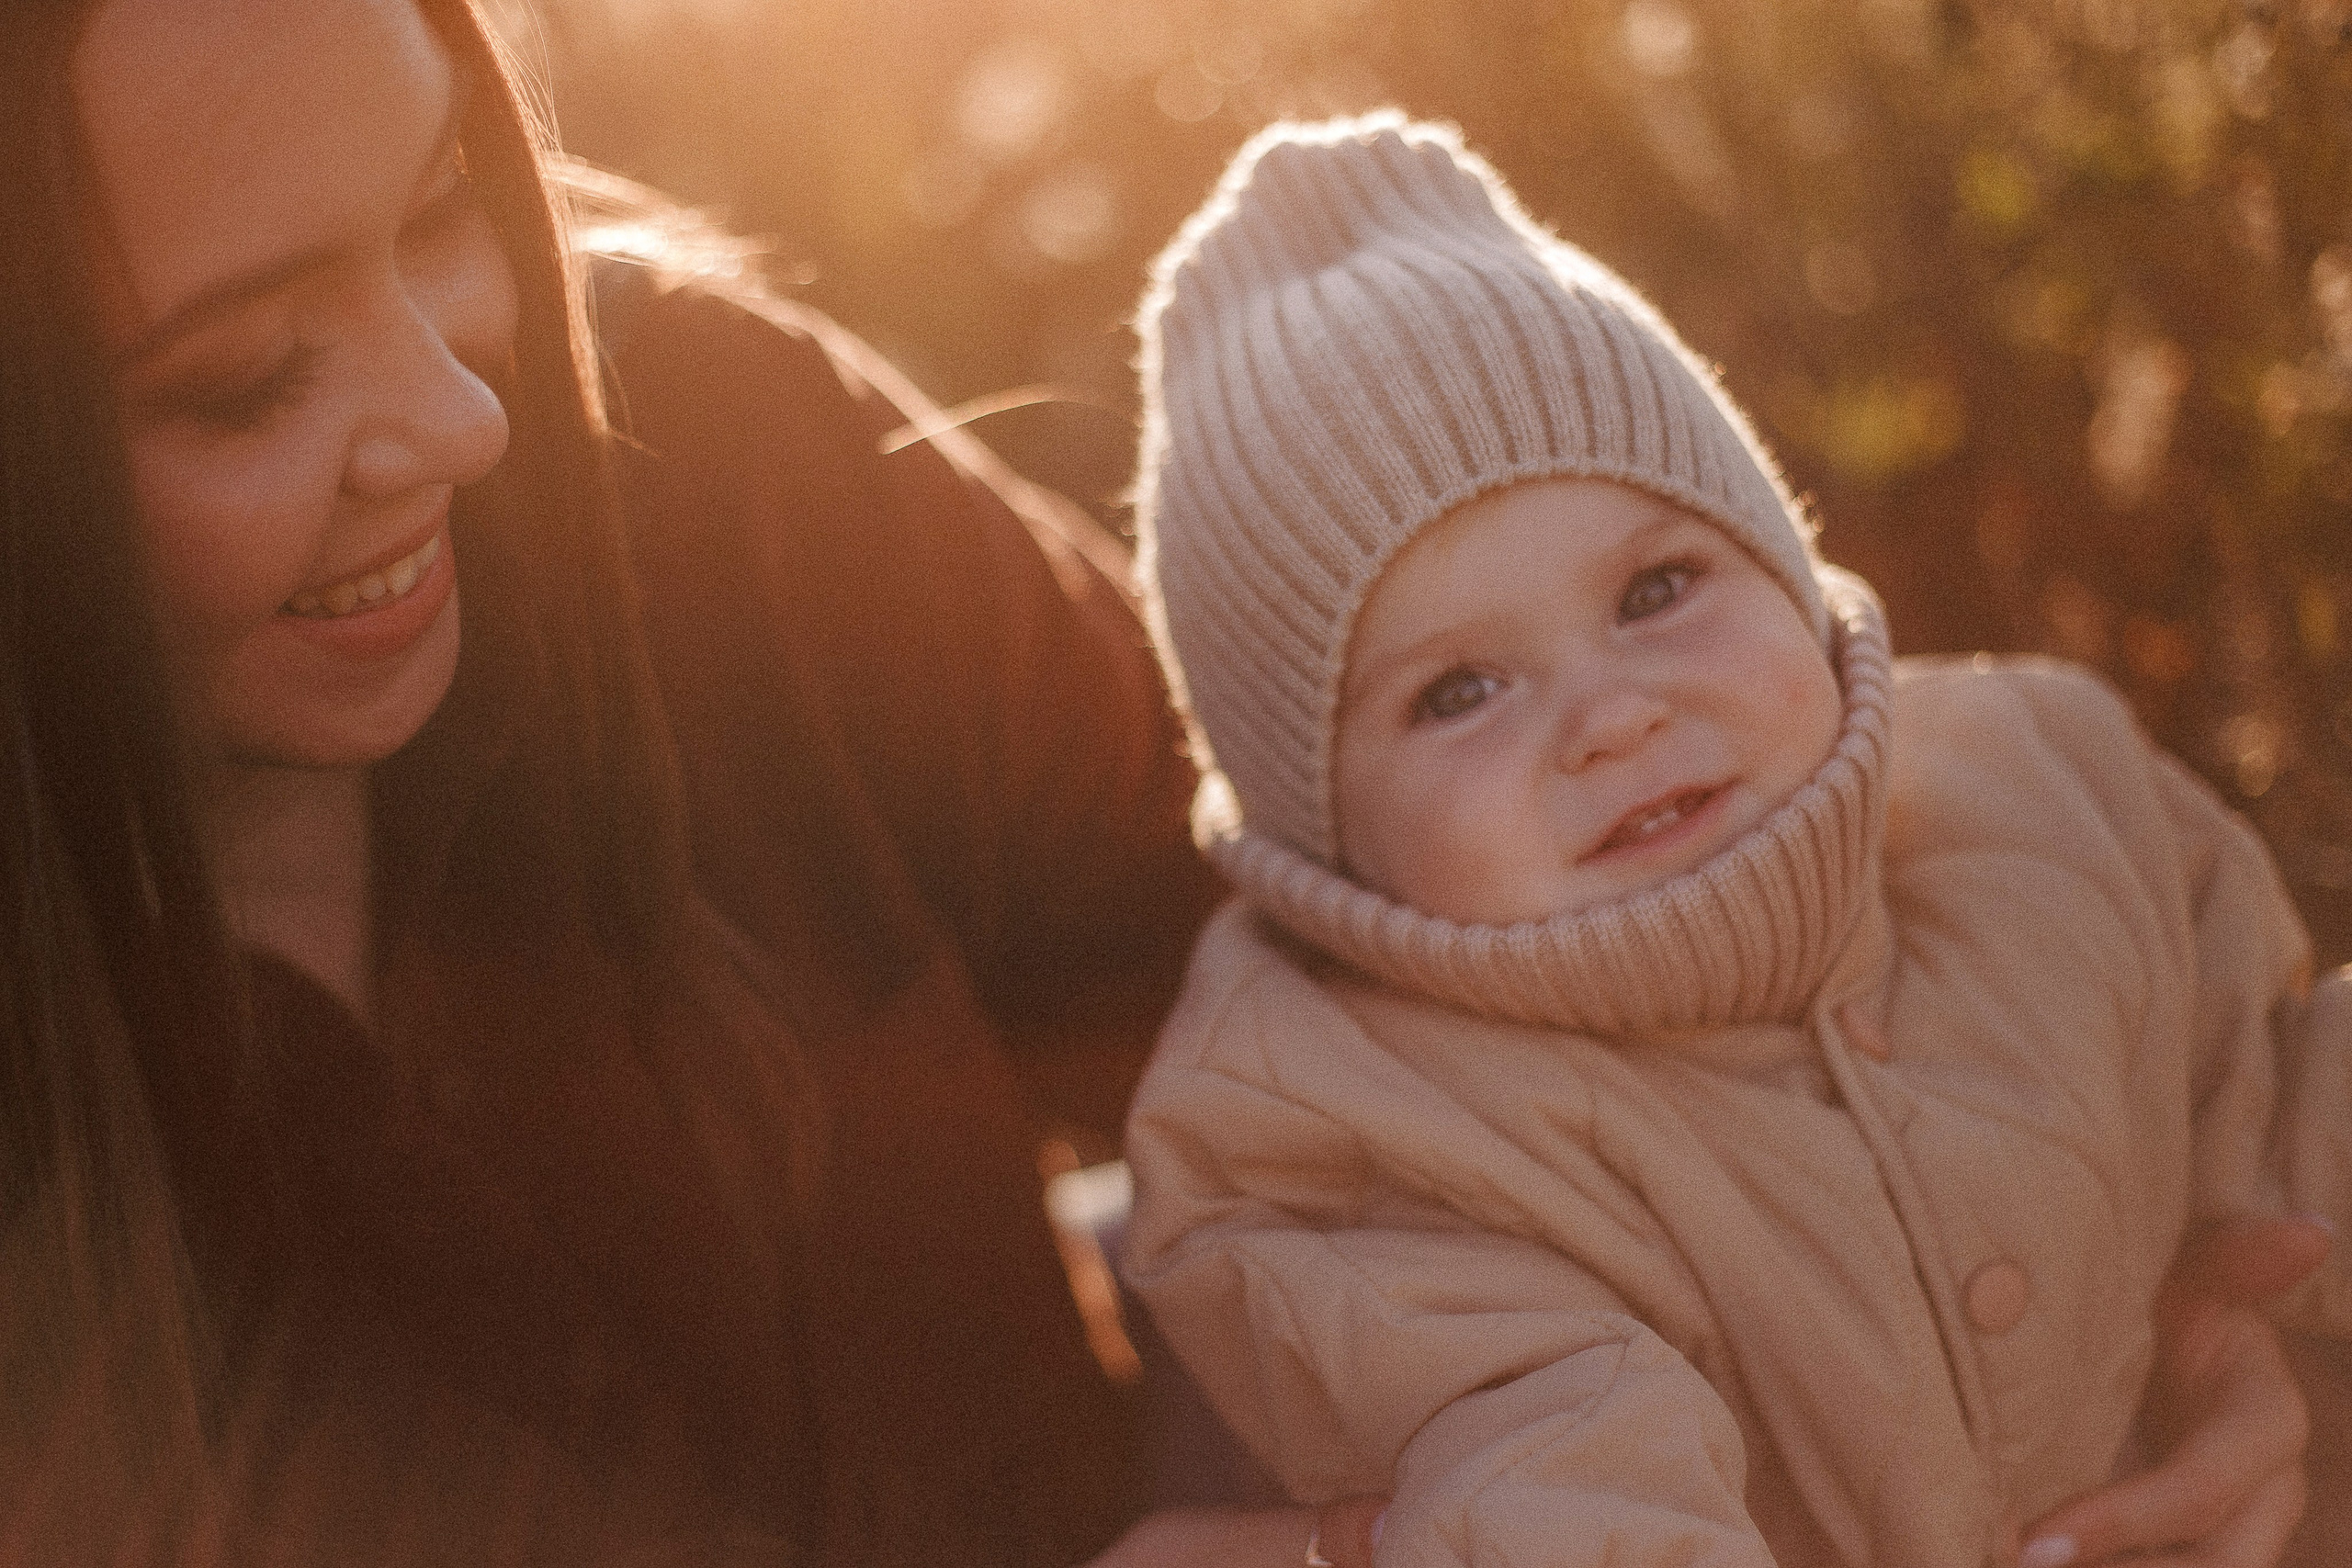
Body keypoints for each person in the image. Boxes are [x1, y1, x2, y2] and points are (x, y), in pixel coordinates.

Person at [0, 1, 2317, 1561]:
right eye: (239, 383)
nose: (465, 413)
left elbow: (1361, 968)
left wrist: (2133, 1295)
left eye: (438, 218)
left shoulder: (694, 466)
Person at [1119, 115, 2351, 1568]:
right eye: (1459, 692)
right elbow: (1556, 1488)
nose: (1612, 714)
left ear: (1787, 569)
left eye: (1657, 589)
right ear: (1326, 851)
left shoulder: (2045, 804)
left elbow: (2269, 1098)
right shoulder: (1354, 1133)